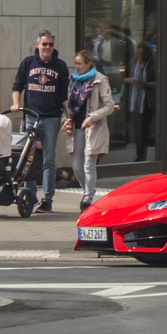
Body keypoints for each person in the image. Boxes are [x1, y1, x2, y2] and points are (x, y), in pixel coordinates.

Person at [11, 30, 70, 213]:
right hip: (30, 116)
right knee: (26, 158)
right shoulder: (28, 63)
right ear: (38, 45)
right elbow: (17, 86)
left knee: (48, 160)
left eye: (50, 44)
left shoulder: (60, 66)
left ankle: (47, 199)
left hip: (51, 118)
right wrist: (16, 104)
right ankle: (29, 195)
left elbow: (64, 95)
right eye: (44, 44)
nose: (47, 48)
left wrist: (68, 117)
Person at [62, 50, 114, 212]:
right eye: (75, 63)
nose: (76, 67)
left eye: (79, 63)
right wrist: (66, 120)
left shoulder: (99, 79)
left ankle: (87, 197)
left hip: (93, 127)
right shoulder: (72, 80)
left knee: (88, 164)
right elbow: (66, 104)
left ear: (88, 63)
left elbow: (109, 105)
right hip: (76, 127)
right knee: (76, 165)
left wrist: (93, 116)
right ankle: (88, 190)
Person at [125, 42, 156, 162]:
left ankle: (141, 154)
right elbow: (122, 78)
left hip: (147, 101)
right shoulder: (133, 63)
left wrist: (144, 84)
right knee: (137, 128)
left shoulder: (153, 65)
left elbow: (160, 81)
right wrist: (130, 80)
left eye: (143, 54)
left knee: (144, 128)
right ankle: (140, 152)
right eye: (139, 54)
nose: (141, 57)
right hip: (134, 100)